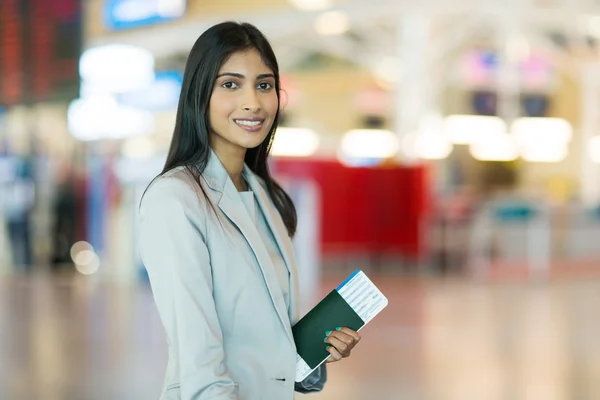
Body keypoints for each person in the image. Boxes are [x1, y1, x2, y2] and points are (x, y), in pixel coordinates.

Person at [139, 21, 361, 400]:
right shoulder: (176, 199)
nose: (253, 102)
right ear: (199, 94)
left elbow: (271, 342)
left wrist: (316, 353)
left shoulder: (266, 196)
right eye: (230, 84)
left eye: (264, 85)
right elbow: (199, 358)